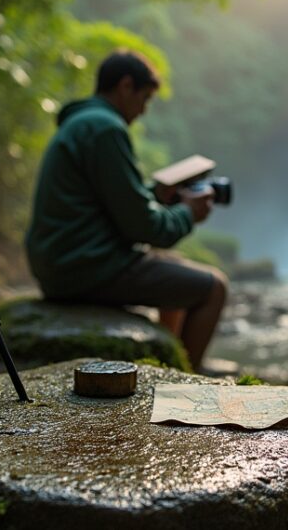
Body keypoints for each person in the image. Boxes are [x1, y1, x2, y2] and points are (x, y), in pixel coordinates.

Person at [24, 50, 227, 369]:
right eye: (144, 99)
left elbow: (111, 206)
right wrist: (188, 212)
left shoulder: (81, 123)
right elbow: (145, 229)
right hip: (86, 266)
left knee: (174, 271)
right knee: (213, 288)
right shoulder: (107, 128)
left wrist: (155, 193)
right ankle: (187, 383)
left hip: (60, 264)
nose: (143, 110)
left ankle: (169, 369)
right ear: (125, 86)